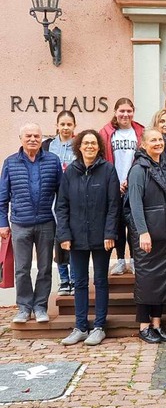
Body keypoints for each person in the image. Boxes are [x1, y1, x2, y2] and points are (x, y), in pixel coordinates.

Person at [57, 129, 120, 346]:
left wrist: (110, 232)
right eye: (86, 143)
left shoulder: (108, 170)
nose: (90, 146)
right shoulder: (70, 172)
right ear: (79, 146)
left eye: (94, 143)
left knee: (101, 281)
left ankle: (99, 326)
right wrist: (63, 234)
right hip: (75, 237)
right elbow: (62, 206)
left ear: (99, 147)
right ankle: (81, 326)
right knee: (80, 282)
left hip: (102, 237)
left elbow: (114, 205)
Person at [125, 128, 166, 344]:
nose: (158, 143)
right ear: (143, 145)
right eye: (153, 140)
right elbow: (135, 204)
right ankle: (144, 326)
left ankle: (157, 324)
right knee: (146, 281)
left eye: (160, 139)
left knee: (161, 281)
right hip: (148, 235)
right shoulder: (139, 169)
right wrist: (142, 232)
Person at [0, 123, 62, 324]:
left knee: (45, 268)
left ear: (42, 138)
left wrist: (63, 221)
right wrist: (3, 223)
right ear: (21, 138)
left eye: (36, 135)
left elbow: (61, 195)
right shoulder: (10, 163)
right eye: (28, 136)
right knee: (22, 268)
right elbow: (2, 198)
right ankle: (25, 307)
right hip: (20, 224)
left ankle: (40, 306)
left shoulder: (53, 161)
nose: (33, 139)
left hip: (46, 223)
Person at [99, 97, 144, 276]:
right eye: (122, 111)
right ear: (115, 112)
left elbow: (143, 158)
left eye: (129, 111)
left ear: (133, 112)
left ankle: (133, 259)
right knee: (116, 225)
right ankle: (119, 260)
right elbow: (101, 159)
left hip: (133, 185)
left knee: (133, 224)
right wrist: (114, 183)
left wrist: (131, 181)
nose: (125, 114)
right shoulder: (107, 133)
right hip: (113, 185)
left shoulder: (139, 131)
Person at [43, 110, 77, 296]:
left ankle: (74, 278)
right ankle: (63, 280)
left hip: (73, 199)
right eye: (62, 124)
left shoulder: (78, 145)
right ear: (57, 125)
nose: (65, 127)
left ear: (74, 126)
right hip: (53, 200)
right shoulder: (47, 146)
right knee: (59, 238)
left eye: (69, 124)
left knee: (73, 238)